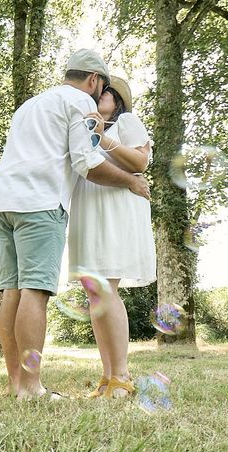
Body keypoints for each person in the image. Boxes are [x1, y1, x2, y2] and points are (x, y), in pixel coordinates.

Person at [0, 49, 150, 400]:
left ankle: (16, 384)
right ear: (93, 80)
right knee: (34, 290)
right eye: (101, 86)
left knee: (12, 291)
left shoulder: (31, 104)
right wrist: (129, 181)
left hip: (2, 203)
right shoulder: (78, 101)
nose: (99, 94)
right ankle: (31, 389)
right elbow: (86, 162)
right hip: (39, 204)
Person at [67, 76, 156, 399]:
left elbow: (140, 161)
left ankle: (122, 376)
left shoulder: (126, 122)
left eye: (104, 92)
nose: (97, 96)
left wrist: (104, 139)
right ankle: (106, 378)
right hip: (88, 208)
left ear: (117, 100)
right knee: (95, 295)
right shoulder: (82, 128)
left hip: (116, 210)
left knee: (108, 289)